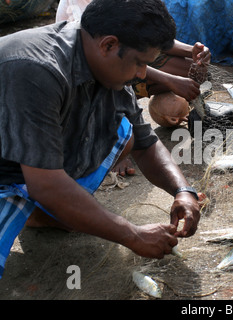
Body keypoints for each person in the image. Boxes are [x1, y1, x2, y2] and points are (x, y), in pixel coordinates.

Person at [0, 0, 200, 279]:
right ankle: (33, 205)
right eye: (140, 63)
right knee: (49, 196)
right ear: (108, 45)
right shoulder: (37, 70)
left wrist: (183, 191)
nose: (143, 74)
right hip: (9, 170)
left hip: (35, 160)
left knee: (125, 132)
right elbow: (45, 185)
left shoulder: (100, 61)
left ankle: (45, 213)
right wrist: (133, 235)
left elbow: (145, 141)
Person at [56, 0, 212, 176]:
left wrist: (192, 50)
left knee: (190, 68)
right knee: (107, 83)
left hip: (125, 54)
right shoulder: (77, 7)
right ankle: (113, 146)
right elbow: (108, 57)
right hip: (94, 69)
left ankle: (159, 102)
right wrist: (170, 80)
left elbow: (150, 35)